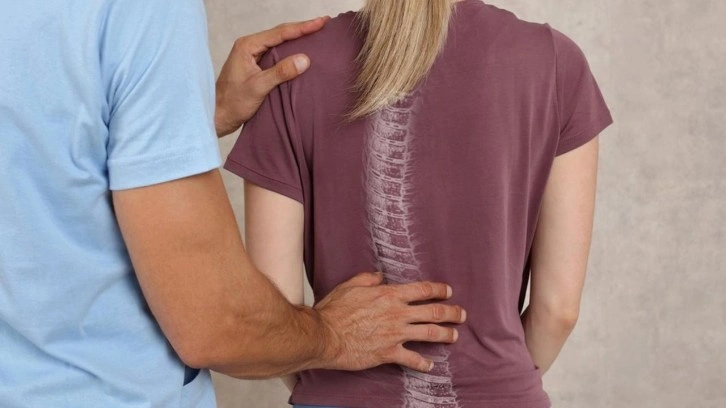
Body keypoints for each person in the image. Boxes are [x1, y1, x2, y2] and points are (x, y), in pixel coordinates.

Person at [0, 1, 467, 407]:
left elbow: (42, 175)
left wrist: (189, 122)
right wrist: (335, 334)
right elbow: (217, 326)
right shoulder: (139, 11)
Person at [225, 0, 614, 407]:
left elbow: (273, 310)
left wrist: (327, 387)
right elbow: (558, 311)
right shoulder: (554, 62)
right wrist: (499, 382)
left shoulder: (290, 68)